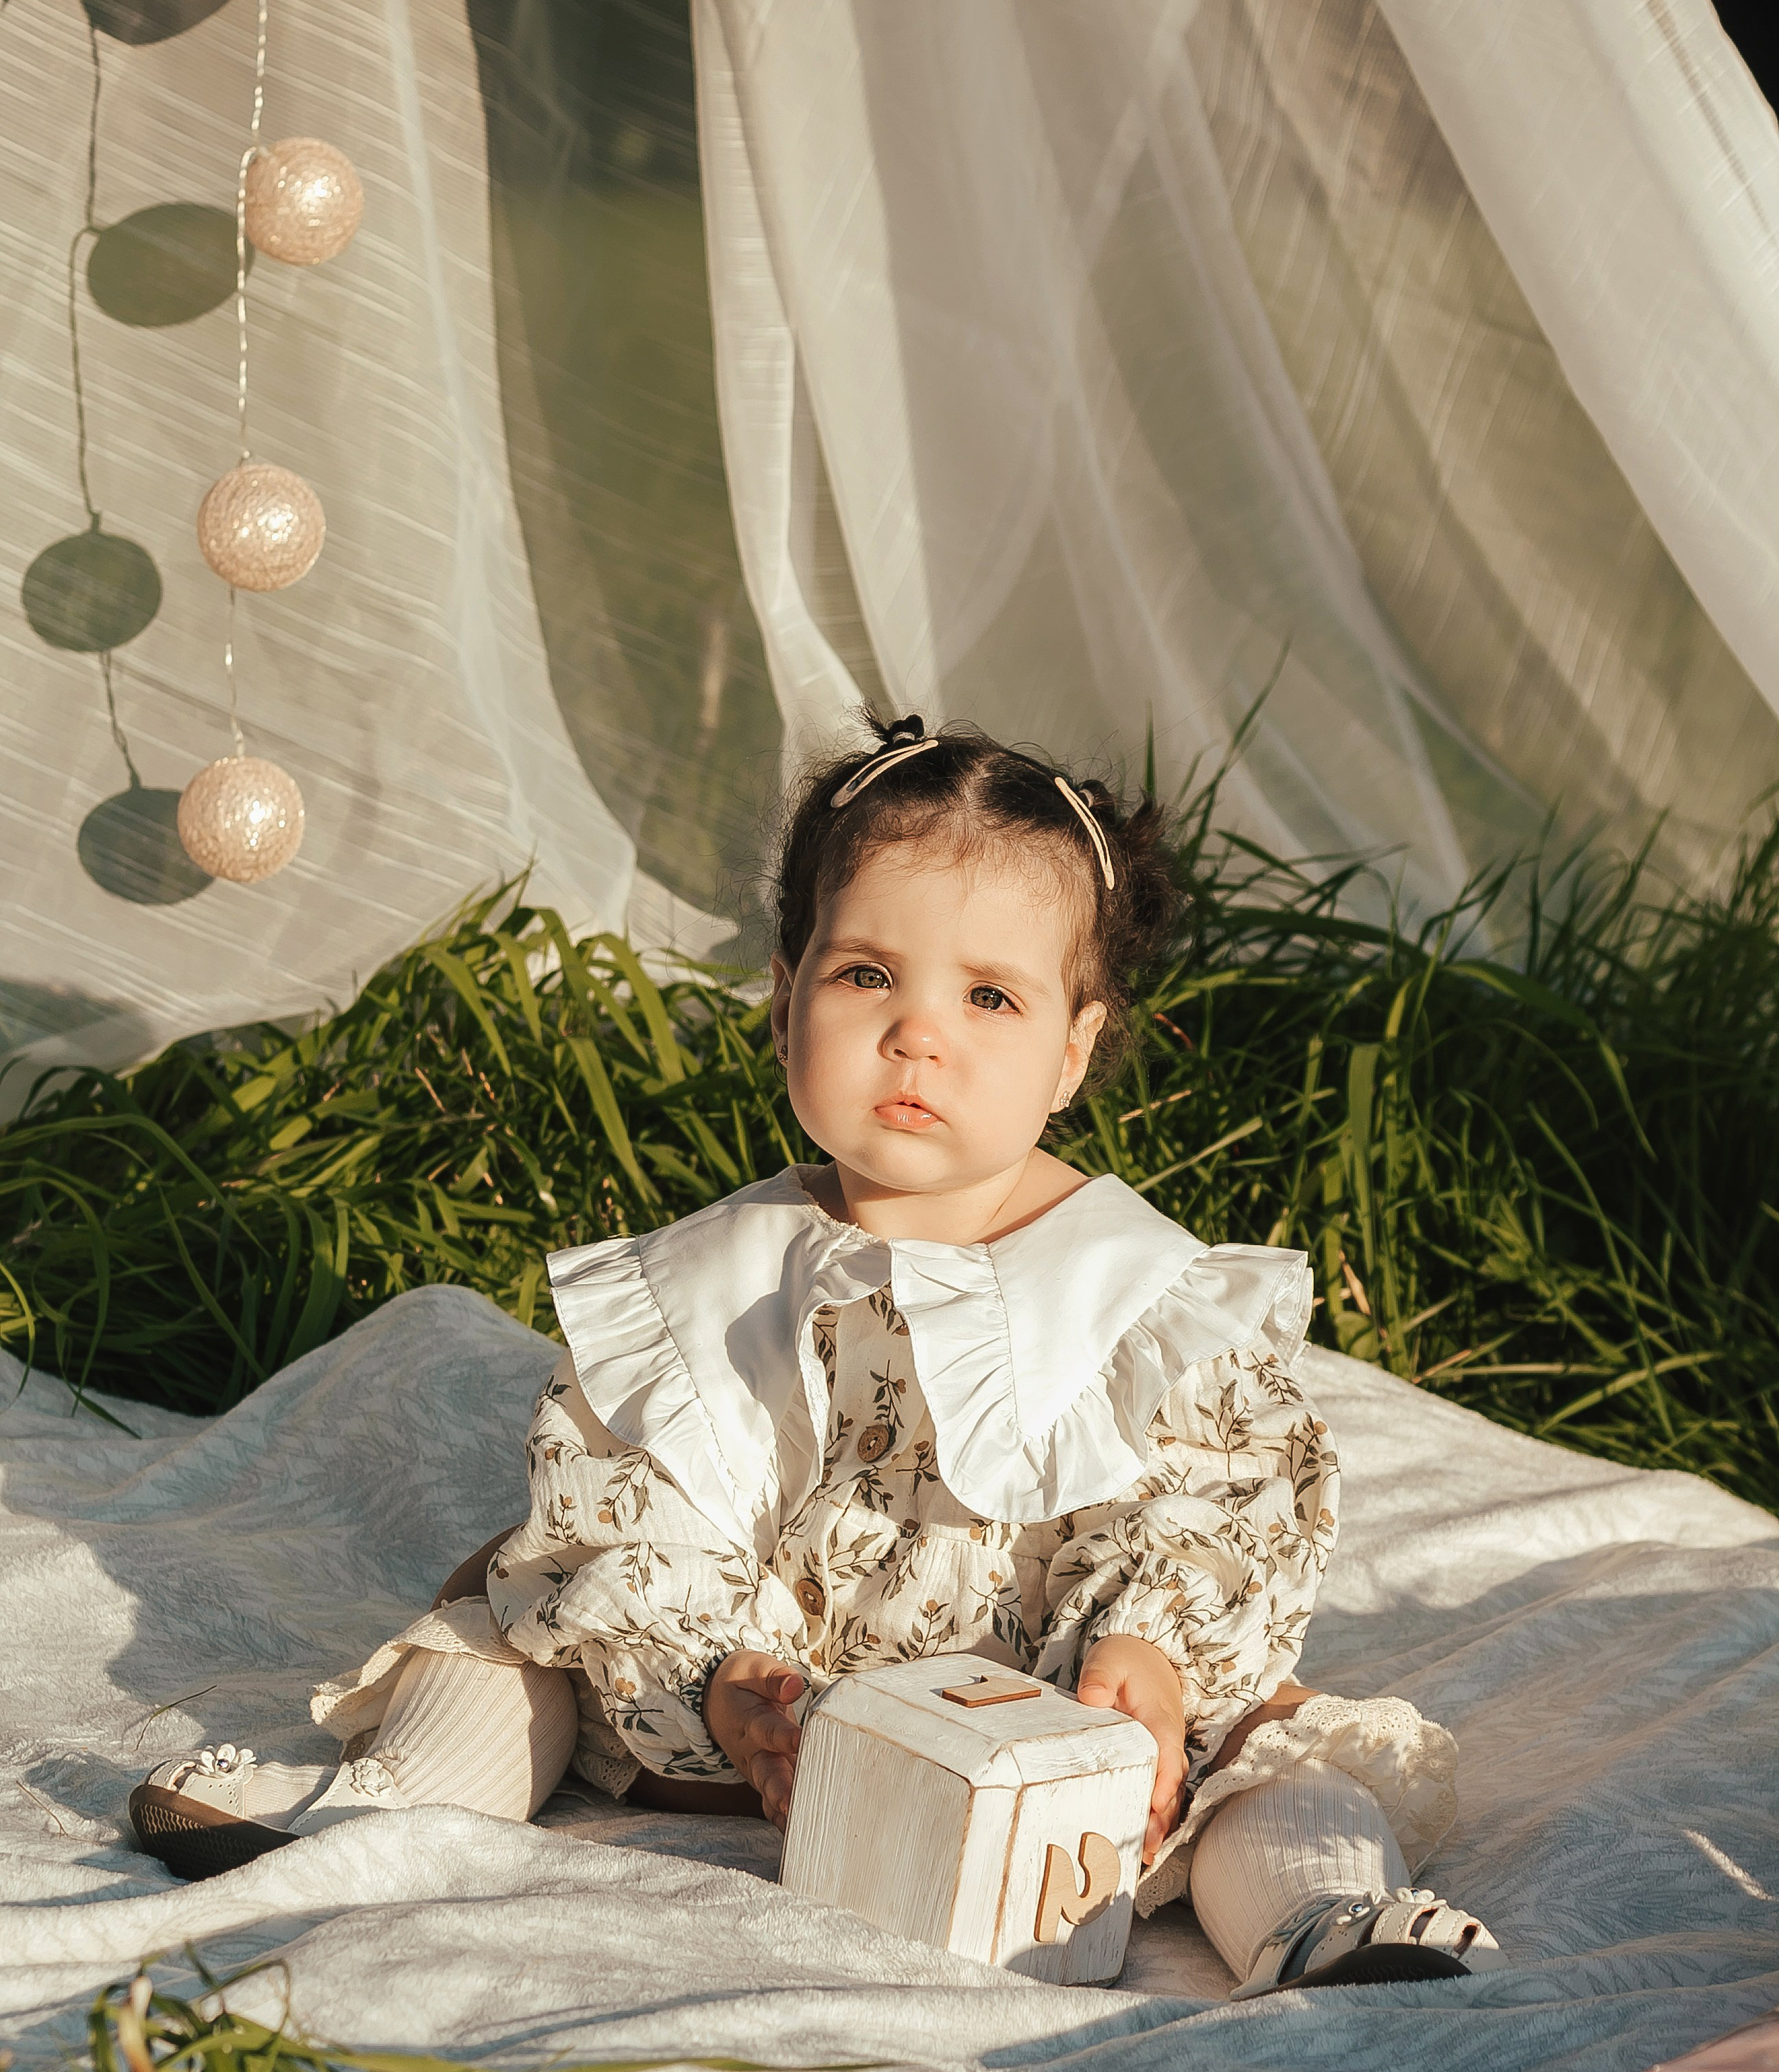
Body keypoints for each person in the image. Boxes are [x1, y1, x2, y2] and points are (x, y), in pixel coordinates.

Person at [131, 714, 1495, 1996]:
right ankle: (380, 1808)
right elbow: (633, 1490)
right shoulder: (707, 1281)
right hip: (749, 1726)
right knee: (501, 1629)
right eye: (865, 977)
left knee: (1273, 1744)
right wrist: (724, 1680)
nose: (918, 1034)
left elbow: (1214, 1493)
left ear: (1074, 1053)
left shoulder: (1134, 1289)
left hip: (1047, 1712)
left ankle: (1316, 1916)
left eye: (989, 1000)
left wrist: (1140, 1655)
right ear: (783, 999)